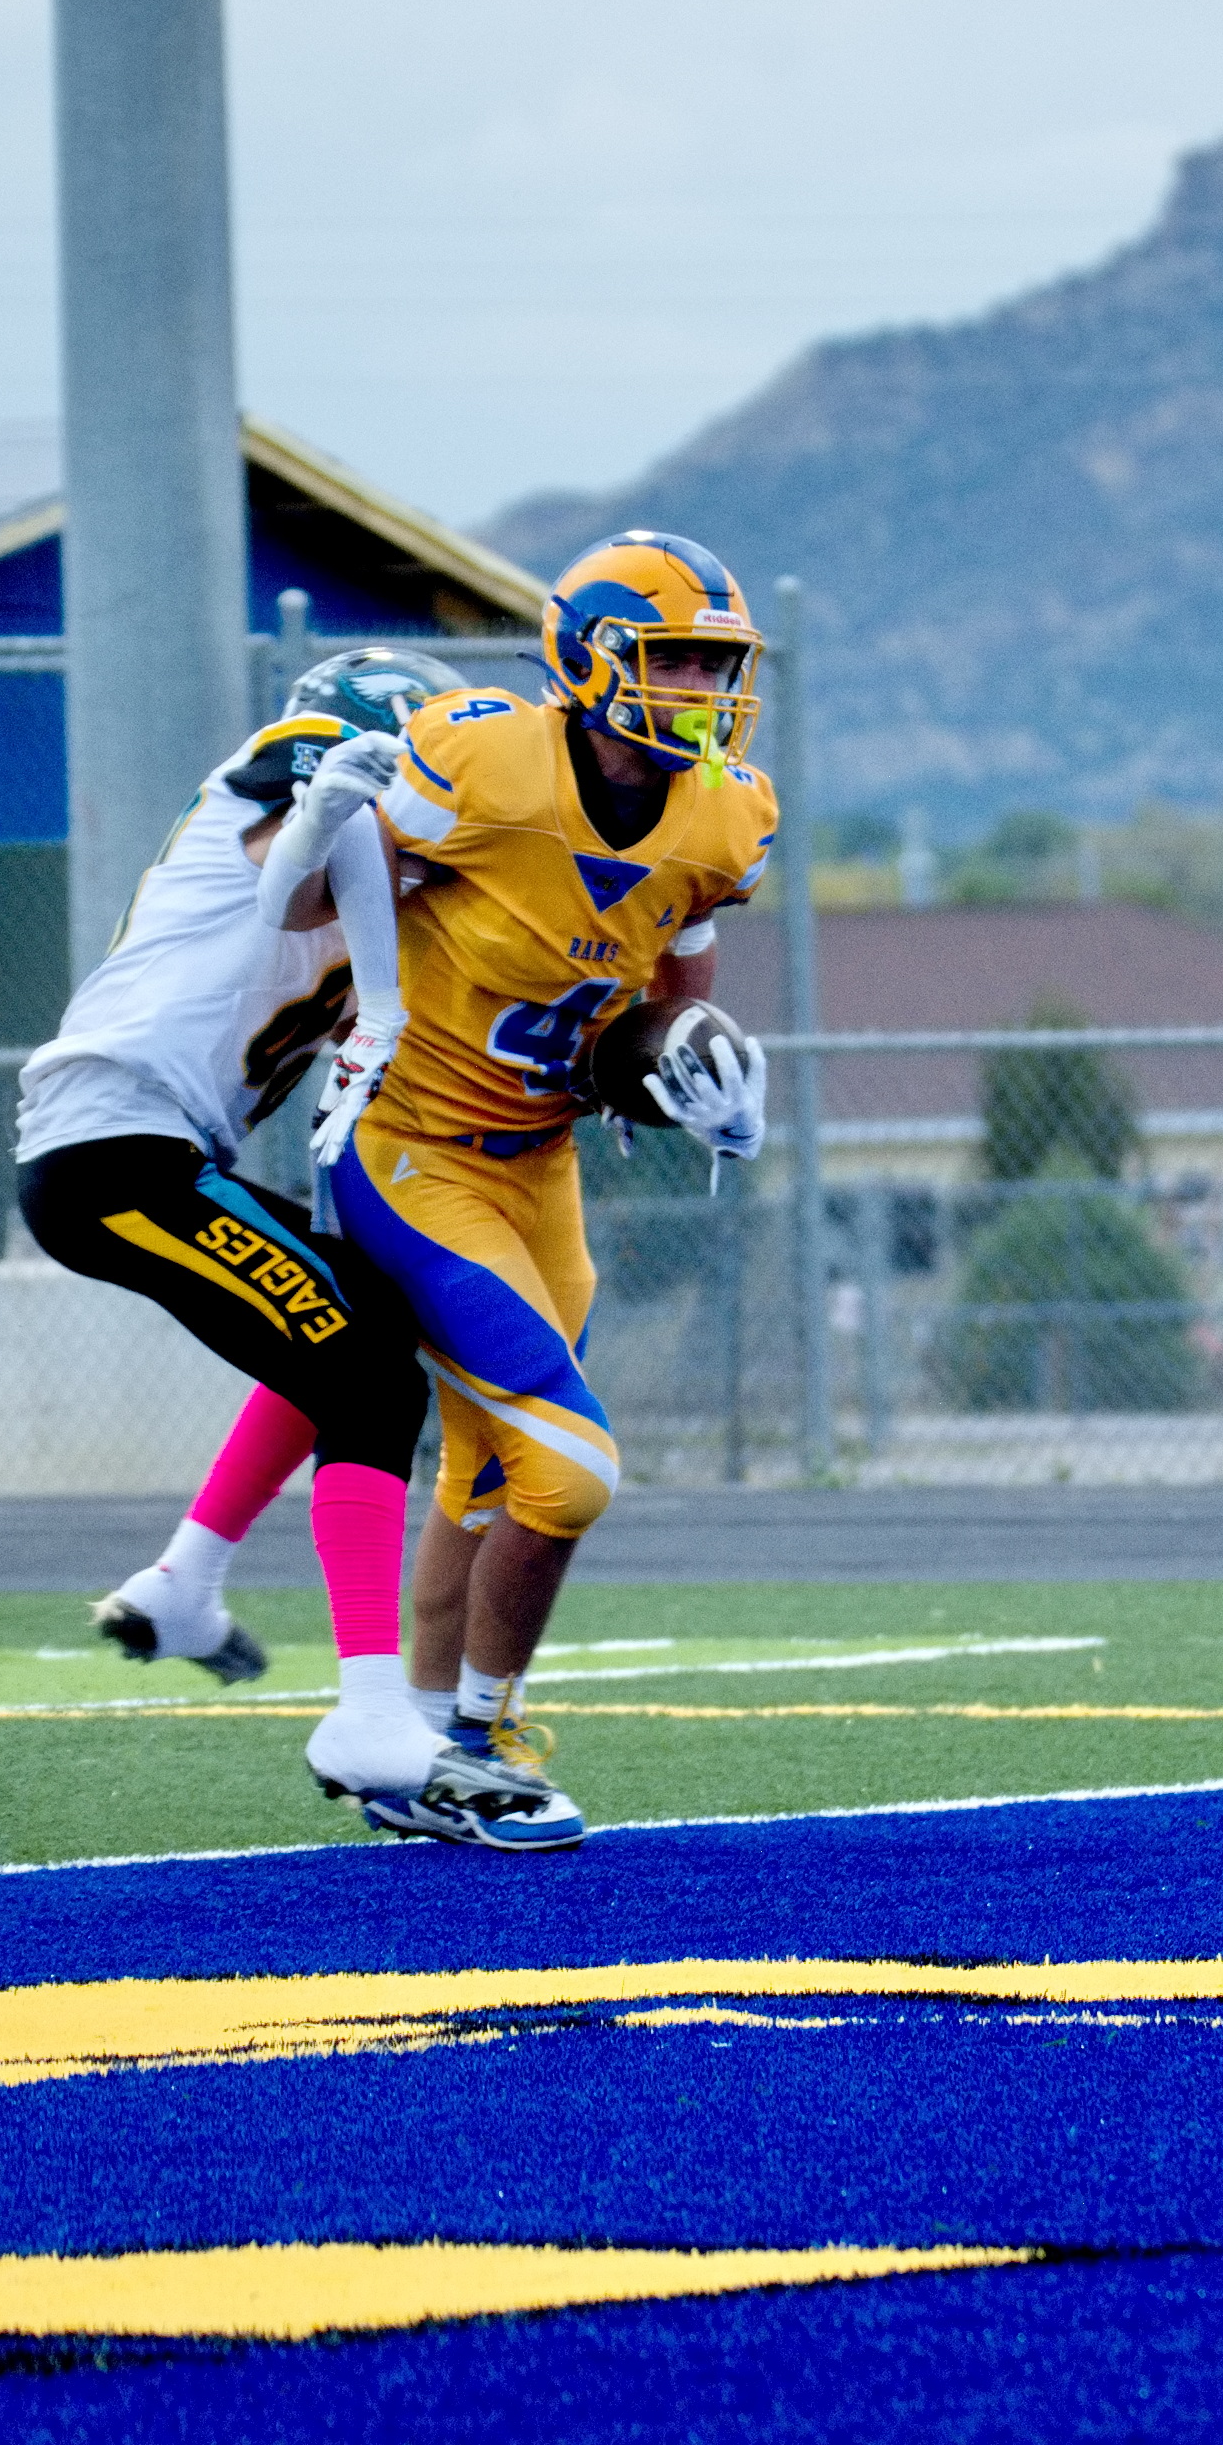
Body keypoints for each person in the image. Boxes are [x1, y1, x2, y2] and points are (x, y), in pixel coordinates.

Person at [14, 650, 570, 1842]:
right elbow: (289, 861)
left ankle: (184, 1583)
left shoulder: (389, 868)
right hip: (114, 1138)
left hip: (154, 1144)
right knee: (366, 1364)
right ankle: (369, 1708)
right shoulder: (302, 765)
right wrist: (342, 807)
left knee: (360, 1309)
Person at [333, 531, 775, 1836]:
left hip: (539, 1156)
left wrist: (685, 1064)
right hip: (409, 1144)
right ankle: (471, 1733)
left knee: (486, 1465)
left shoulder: (722, 809)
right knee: (567, 1466)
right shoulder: (481, 760)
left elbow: (671, 986)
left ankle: (421, 1743)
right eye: (673, 658)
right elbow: (320, 902)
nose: (699, 687)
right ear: (586, 655)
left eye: (715, 663)